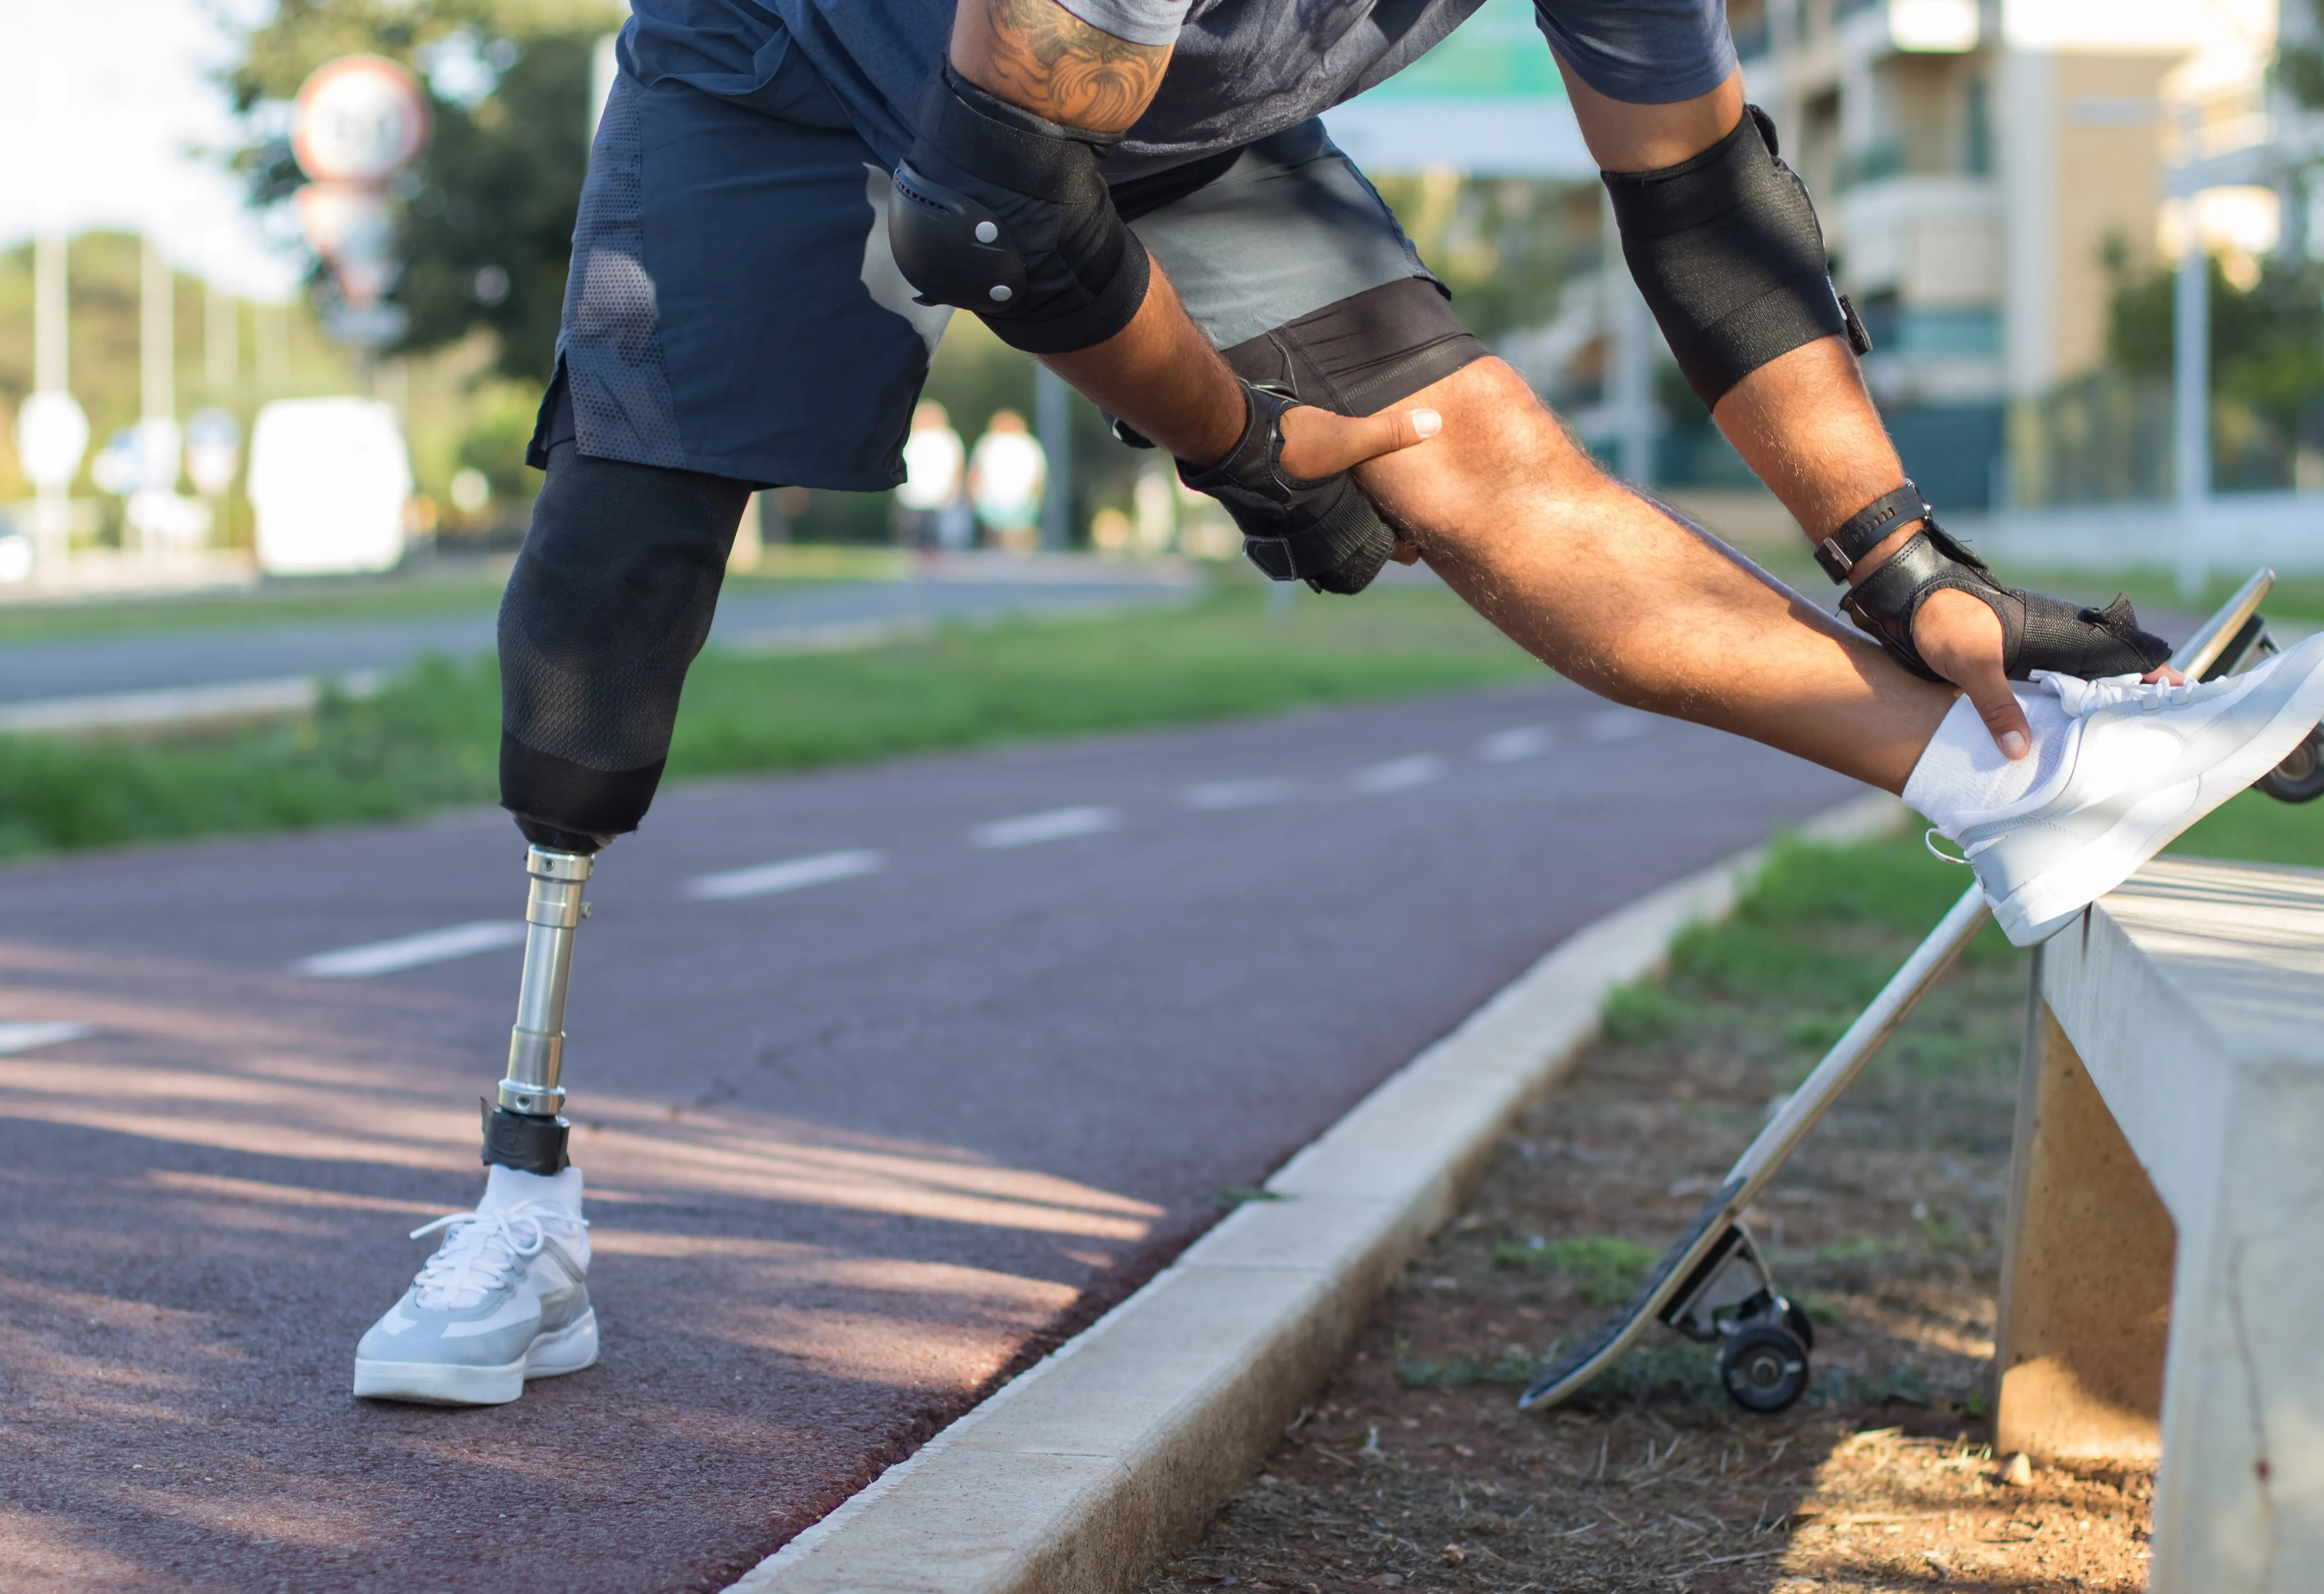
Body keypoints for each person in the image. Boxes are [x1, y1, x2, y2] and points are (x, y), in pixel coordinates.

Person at [350, 0, 2324, 1405]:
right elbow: (986, 226)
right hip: (779, 57)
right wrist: (1240, 439)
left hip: (1129, 127)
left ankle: (2010, 779)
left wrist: (1901, 558)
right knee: (617, 568)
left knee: (1469, 443)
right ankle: (521, 1206)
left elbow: (1707, 213)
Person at [968, 408, 1049, 548]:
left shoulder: (1027, 444)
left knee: (1015, 536)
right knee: (1000, 537)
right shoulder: (988, 443)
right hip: (994, 498)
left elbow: (1038, 475)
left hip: (1017, 498)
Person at [895, 398, 967, 548]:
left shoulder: (948, 438)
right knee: (913, 530)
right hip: (912, 494)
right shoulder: (909, 437)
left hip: (939, 494)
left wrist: (954, 488)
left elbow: (957, 466)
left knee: (934, 533)